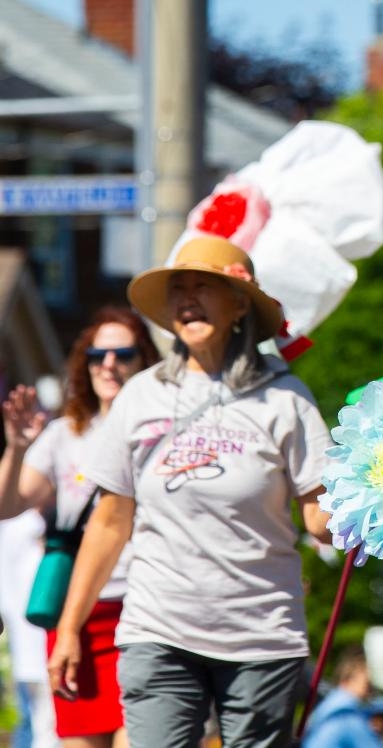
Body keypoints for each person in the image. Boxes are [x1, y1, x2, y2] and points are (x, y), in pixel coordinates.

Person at [46, 236, 334, 748]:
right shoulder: (142, 394)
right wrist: (70, 627)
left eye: (205, 286)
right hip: (158, 630)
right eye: (179, 289)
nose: (188, 298)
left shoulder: (286, 397)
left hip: (262, 636)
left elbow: (319, 519)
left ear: (240, 303)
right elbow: (110, 523)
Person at [1, 306, 160, 748]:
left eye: (123, 353)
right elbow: (6, 504)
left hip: (145, 614)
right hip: (79, 618)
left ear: (145, 362)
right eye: (97, 354)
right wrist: (15, 449)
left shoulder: (161, 434)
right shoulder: (63, 433)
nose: (108, 364)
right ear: (83, 361)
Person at [0, 510, 60, 748]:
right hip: (35, 644)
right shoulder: (27, 523)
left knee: (31, 727)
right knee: (41, 731)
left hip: (29, 645)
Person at [301, 646, 383, 748]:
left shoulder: (327, 707)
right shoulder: (346, 714)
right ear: (348, 680)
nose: (369, 689)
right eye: (366, 683)